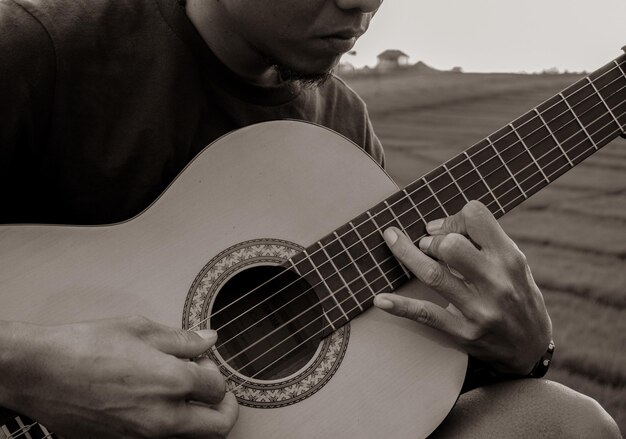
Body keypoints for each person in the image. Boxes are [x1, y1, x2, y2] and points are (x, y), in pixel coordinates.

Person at [0, 0, 620, 437]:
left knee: (563, 424)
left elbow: (381, 383)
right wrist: (24, 366)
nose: (363, 3)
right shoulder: (38, 48)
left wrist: (524, 351)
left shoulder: (340, 130)